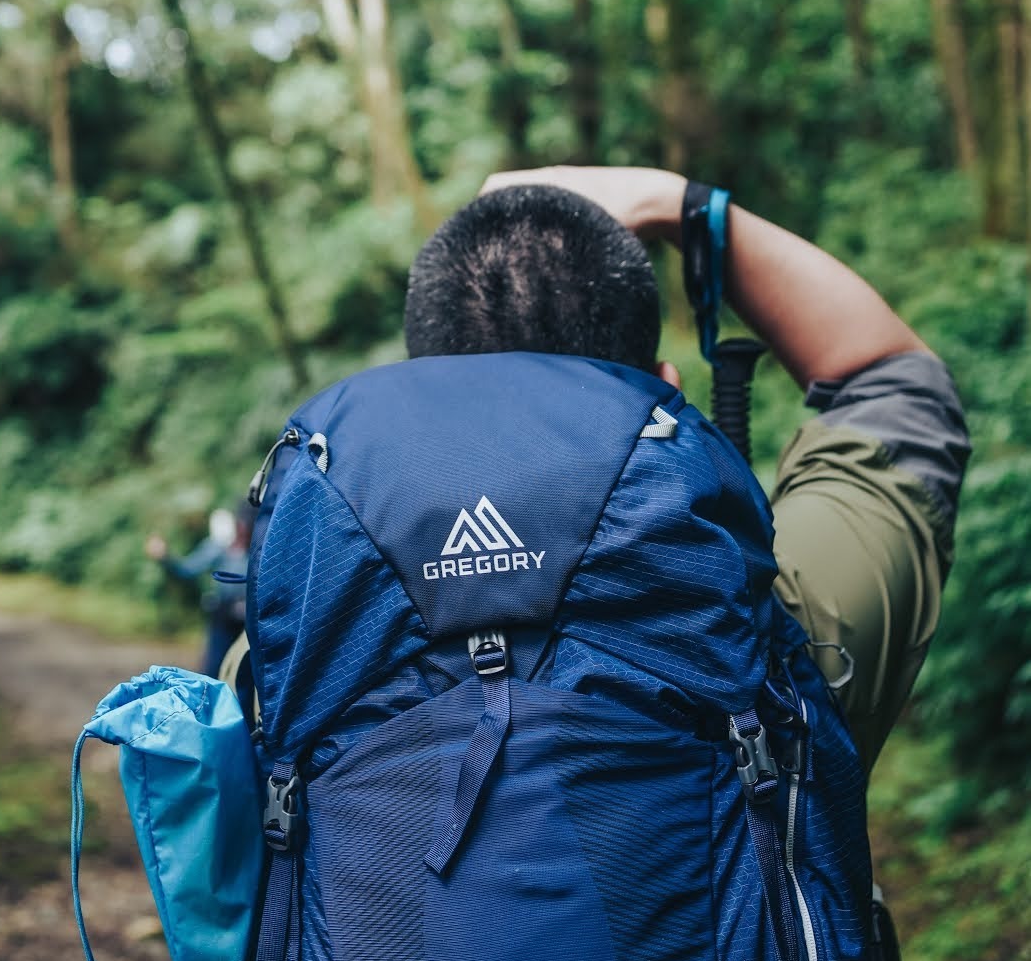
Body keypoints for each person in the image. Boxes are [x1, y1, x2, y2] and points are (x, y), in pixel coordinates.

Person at [226, 164, 969, 775]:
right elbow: (893, 385)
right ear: (666, 387)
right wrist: (684, 207)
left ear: (421, 390)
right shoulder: (782, 632)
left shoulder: (286, 661)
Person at [147, 507, 252, 677]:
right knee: (214, 666)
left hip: (251, 615)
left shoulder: (260, 549)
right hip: (223, 614)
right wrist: (165, 557)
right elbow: (188, 569)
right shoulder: (220, 546)